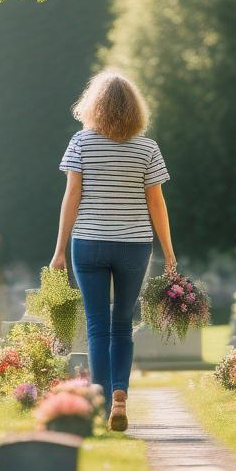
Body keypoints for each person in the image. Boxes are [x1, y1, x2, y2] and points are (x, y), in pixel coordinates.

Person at [50, 70, 177, 432]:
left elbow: (71, 197)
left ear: (94, 105)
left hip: (88, 243)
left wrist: (59, 249)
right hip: (134, 245)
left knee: (96, 326)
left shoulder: (81, 143)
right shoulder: (147, 148)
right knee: (122, 324)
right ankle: (120, 395)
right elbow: (157, 204)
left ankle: (102, 400)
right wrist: (168, 251)